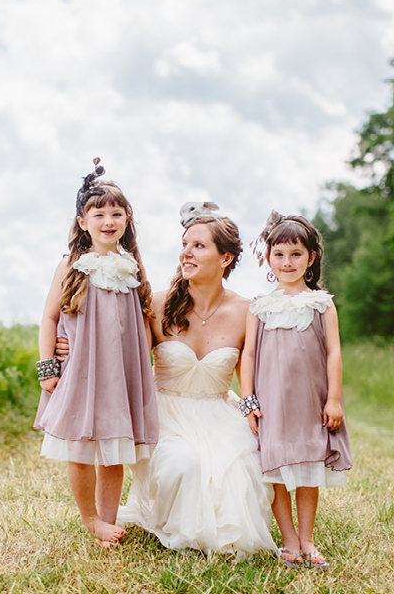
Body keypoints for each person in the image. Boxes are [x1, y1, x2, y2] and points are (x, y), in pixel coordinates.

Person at [115, 204, 276, 559]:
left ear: (225, 258)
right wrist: (65, 344)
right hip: (166, 412)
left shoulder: (247, 311)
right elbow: (128, 357)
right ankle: (181, 528)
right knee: (182, 464)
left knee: (241, 471)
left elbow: (251, 374)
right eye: (185, 243)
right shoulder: (157, 304)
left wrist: (255, 413)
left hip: (219, 412)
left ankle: (221, 532)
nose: (185, 252)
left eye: (198, 246)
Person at [34, 158, 158, 548]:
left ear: (127, 221)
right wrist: (48, 367)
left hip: (120, 373)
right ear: (82, 222)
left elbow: (143, 320)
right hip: (81, 370)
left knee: (115, 451)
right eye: (98, 212)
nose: (108, 220)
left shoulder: (131, 266)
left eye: (116, 213)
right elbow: (49, 318)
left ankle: (109, 520)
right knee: (81, 448)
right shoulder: (72, 265)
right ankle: (89, 519)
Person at [240, 211, 352, 569]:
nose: (287, 262)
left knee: (306, 472)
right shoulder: (259, 306)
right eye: (279, 254)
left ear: (311, 258)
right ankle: (287, 539)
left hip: (310, 401)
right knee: (276, 473)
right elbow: (249, 355)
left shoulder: (322, 303)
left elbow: (334, 351)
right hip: (272, 404)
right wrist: (248, 402)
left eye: (296, 254)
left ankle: (307, 539)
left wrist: (333, 398)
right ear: (268, 258)